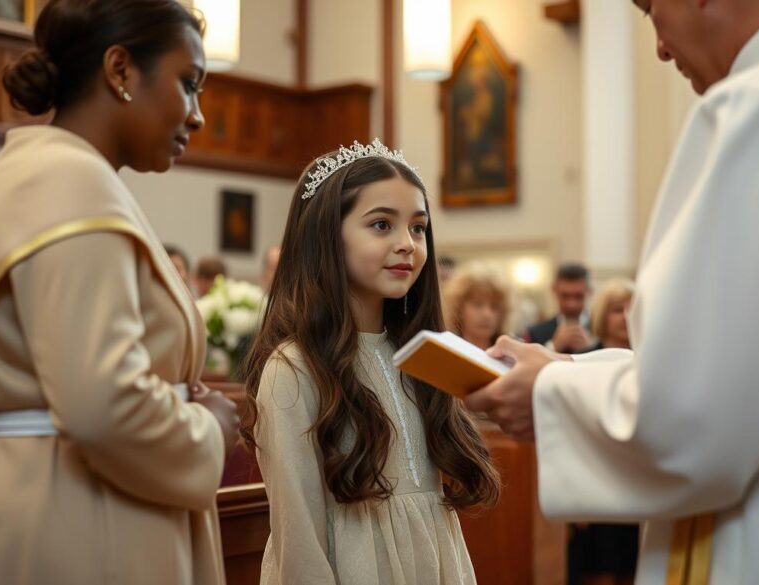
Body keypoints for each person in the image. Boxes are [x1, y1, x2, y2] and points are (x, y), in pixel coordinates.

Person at [464, 1, 759, 583]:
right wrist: (565, 370)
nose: (660, 45)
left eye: (651, 8)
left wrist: (548, 394)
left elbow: (692, 423)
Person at [0, 1, 240, 583]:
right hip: (72, 522)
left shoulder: (41, 173)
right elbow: (103, 406)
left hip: (41, 496)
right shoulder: (72, 186)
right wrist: (208, 430)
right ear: (120, 71)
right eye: (188, 84)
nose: (197, 115)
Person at [243, 140, 500, 584]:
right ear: (327, 234)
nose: (406, 244)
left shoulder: (424, 356)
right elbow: (298, 536)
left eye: (418, 228)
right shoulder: (295, 368)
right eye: (382, 225)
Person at [568, 278, 637, 585]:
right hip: (595, 481)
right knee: (597, 569)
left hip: (638, 481)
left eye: (633, 309)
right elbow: (573, 430)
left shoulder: (654, 361)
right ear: (601, 315)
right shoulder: (581, 362)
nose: (626, 316)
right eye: (617, 310)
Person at [523, 263, 594, 353]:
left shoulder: (603, 330)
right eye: (565, 296)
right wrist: (553, 347)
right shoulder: (536, 333)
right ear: (554, 290)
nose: (571, 304)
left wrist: (592, 349)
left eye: (579, 296)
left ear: (590, 292)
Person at [442, 262, 511, 349]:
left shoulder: (511, 356)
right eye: (477, 304)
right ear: (459, 307)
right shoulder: (445, 349)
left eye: (495, 306)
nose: (487, 314)